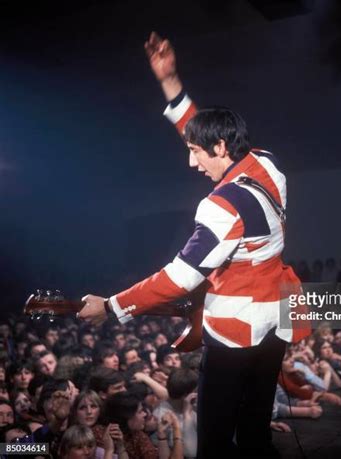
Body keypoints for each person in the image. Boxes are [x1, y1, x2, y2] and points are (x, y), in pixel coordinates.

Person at [78, 32, 310, 458]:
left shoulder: (222, 206)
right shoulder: (266, 163)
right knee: (255, 430)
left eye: (196, 152)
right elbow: (202, 129)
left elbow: (179, 278)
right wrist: (170, 81)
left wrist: (111, 305)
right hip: (275, 321)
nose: (191, 162)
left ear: (220, 148)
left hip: (236, 334)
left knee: (215, 441)